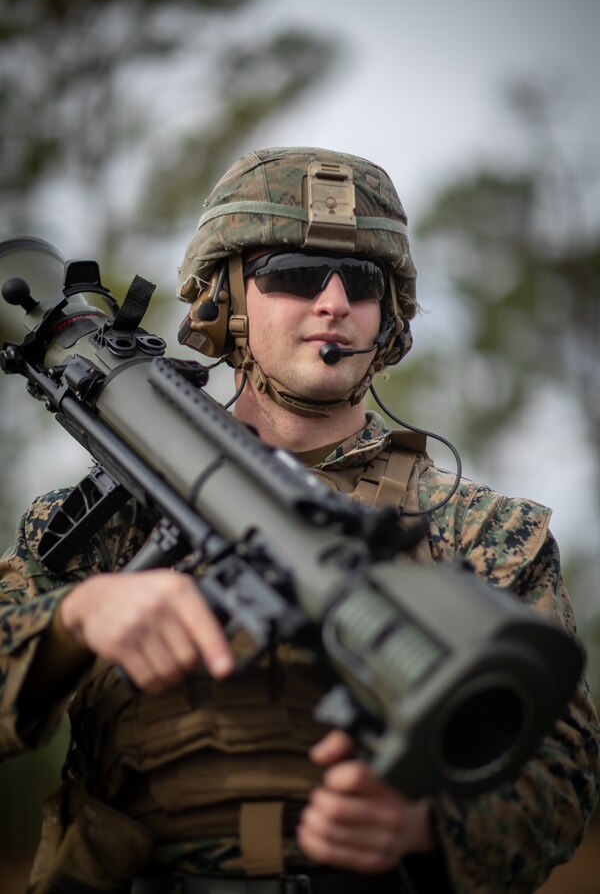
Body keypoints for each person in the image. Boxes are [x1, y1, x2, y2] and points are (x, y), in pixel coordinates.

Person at [0, 146, 598, 894]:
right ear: (225, 298)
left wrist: (428, 827)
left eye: (365, 283)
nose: (335, 302)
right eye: (294, 273)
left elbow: (563, 779)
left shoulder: (481, 530)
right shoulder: (101, 521)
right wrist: (74, 620)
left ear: (392, 318)